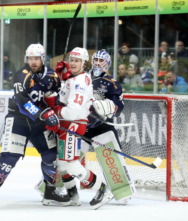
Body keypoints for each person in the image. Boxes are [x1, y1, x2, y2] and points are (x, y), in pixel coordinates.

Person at [0, 43, 70, 209]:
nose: (33, 62)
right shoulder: (21, 75)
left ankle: (50, 191)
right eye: (30, 58)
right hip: (19, 119)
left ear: (42, 59)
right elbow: (22, 101)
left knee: (50, 155)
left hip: (39, 123)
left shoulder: (52, 75)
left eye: (36, 58)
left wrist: (64, 77)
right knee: (9, 157)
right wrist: (43, 114)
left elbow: (57, 95)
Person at [47, 47, 115, 209]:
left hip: (73, 125)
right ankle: (73, 195)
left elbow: (73, 111)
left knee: (71, 164)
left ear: (84, 63)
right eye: (71, 60)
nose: (73, 63)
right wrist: (61, 79)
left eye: (77, 61)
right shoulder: (72, 78)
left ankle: (103, 190)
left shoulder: (80, 82)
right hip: (66, 126)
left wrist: (54, 110)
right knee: (62, 165)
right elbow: (63, 98)